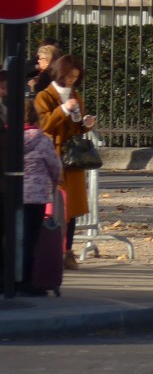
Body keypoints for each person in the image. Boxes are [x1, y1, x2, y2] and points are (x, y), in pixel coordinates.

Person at [34, 54, 96, 270]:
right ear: (60, 74)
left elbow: (78, 127)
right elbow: (43, 124)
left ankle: (68, 251)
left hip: (72, 159)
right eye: (69, 76)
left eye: (75, 78)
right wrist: (63, 110)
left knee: (72, 208)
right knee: (55, 207)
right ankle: (53, 251)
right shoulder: (44, 96)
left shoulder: (75, 95)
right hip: (53, 157)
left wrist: (87, 124)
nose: (71, 81)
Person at [20, 99, 62, 295]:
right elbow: (55, 166)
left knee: (12, 237)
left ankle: (9, 278)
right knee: (31, 239)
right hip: (36, 196)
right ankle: (27, 280)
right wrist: (54, 182)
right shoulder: (42, 140)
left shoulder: (9, 138)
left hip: (12, 195)